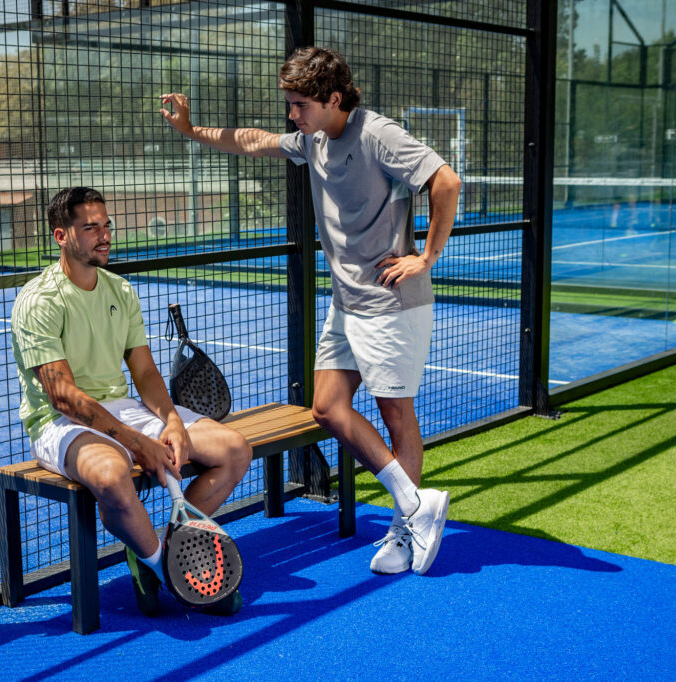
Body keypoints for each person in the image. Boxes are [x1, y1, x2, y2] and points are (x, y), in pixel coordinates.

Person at [160, 47, 461, 576]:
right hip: (346, 304)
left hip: (392, 304)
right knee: (326, 407)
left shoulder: (377, 135)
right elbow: (251, 141)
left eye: (300, 104)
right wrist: (191, 130)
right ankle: (416, 504)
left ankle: (404, 525)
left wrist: (426, 257)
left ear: (334, 99)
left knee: (396, 413)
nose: (292, 115)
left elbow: (446, 181)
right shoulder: (313, 141)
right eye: (290, 105)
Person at [11, 186, 252, 615]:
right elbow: (63, 396)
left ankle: (157, 545)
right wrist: (137, 442)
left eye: (106, 226)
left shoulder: (121, 291)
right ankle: (167, 571)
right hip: (58, 424)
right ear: (61, 236)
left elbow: (144, 373)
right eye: (90, 228)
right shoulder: (38, 301)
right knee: (110, 474)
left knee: (234, 450)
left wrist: (173, 422)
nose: (104, 236)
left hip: (121, 409)